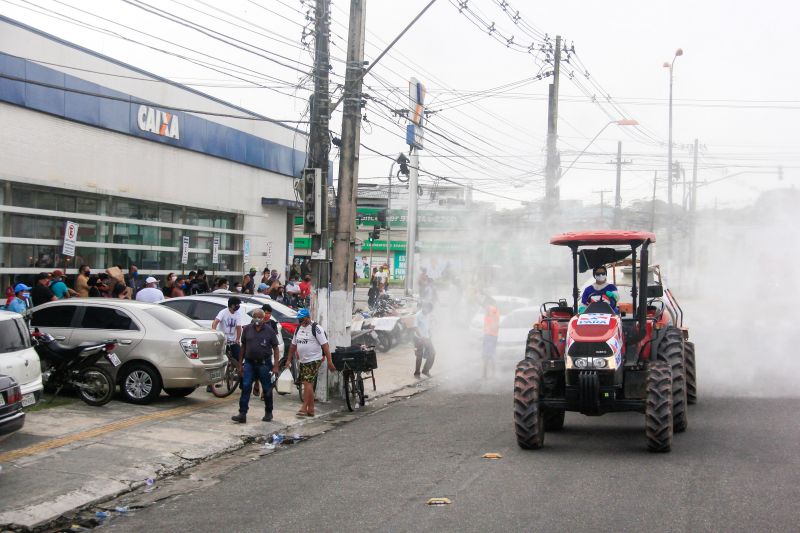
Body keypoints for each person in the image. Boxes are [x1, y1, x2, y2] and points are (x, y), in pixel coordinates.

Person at [231, 309, 280, 424]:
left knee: (267, 388)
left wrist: (276, 366)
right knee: (246, 386)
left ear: (263, 318)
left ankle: (269, 412)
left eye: (260, 317)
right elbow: (243, 346)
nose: (257, 319)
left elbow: (276, 348)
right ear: (252, 318)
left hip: (264, 364)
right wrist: (240, 364)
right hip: (249, 363)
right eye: (255, 317)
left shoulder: (269, 330)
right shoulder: (247, 329)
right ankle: (242, 413)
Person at [284, 308, 336, 417]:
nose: (301, 322)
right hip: (302, 360)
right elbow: (293, 345)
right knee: (308, 384)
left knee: (307, 383)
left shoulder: (316, 328)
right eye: (299, 320)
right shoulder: (298, 329)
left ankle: (304, 407)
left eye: (303, 319)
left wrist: (329, 361)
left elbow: (325, 345)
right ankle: (311, 409)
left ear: (308, 317)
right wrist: (288, 360)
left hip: (314, 360)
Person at [211, 297, 243, 392]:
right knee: (217, 360)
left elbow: (238, 327)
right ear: (232, 305)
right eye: (237, 305)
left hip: (233, 341)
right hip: (223, 340)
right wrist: (214, 333)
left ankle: (242, 381)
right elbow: (215, 322)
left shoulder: (237, 314)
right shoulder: (223, 312)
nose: (238, 306)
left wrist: (237, 339)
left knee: (239, 359)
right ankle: (211, 384)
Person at [414, 302, 435, 378]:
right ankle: (417, 373)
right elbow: (415, 328)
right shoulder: (418, 315)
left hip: (427, 337)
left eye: (430, 311)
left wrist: (430, 334)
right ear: (425, 307)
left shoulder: (428, 314)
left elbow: (427, 326)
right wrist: (421, 337)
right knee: (419, 356)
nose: (429, 312)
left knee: (432, 353)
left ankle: (426, 370)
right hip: (418, 339)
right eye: (428, 310)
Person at [482, 297, 500, 379]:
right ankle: (491, 374)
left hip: (490, 335)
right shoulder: (494, 310)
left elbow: (494, 323)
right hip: (491, 335)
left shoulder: (491, 309)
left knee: (487, 355)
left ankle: (486, 374)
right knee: (491, 354)